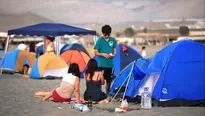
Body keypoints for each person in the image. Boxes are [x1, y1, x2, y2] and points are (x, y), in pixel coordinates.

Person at [94, 25, 117, 95]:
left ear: (110, 33)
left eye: (108, 34)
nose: (106, 36)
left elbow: (115, 51)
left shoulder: (113, 40)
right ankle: (99, 93)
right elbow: (95, 52)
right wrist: (103, 54)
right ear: (102, 33)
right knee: (99, 80)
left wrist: (112, 55)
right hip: (101, 65)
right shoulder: (99, 41)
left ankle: (107, 94)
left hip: (110, 65)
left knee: (109, 81)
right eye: (105, 34)